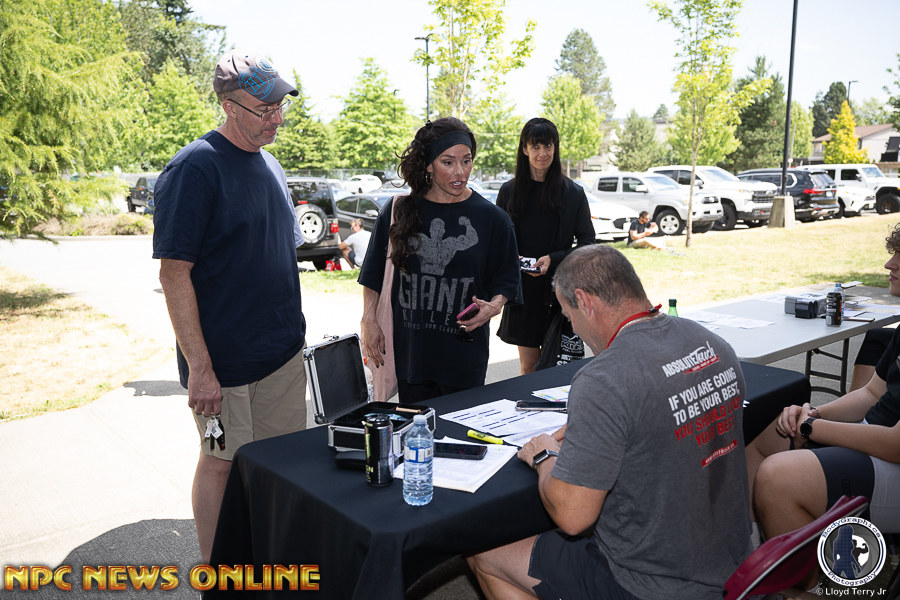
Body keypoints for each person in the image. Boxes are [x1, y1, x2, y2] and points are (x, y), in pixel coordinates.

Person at [467, 244, 752, 600]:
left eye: (569, 316)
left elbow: (573, 516)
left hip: (650, 582)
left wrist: (543, 454)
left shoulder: (604, 378)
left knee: (483, 550)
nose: (574, 329)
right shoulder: (710, 342)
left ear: (584, 302)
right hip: (732, 560)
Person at [152, 50, 308, 562]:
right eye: (264, 110)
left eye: (280, 106)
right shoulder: (194, 168)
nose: (276, 119)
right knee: (221, 463)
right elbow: (173, 274)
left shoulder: (272, 165)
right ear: (227, 105)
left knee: (281, 463)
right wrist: (200, 367)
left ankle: (271, 563)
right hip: (224, 364)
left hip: (281, 354)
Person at [747, 224, 900, 588]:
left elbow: (896, 445)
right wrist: (812, 413)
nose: (888, 264)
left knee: (779, 477)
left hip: (892, 461)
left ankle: (810, 590)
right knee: (760, 434)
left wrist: (812, 428)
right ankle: (759, 563)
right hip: (876, 445)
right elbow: (871, 393)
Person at [358, 117, 521, 403]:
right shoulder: (399, 211)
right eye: (448, 162)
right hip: (412, 356)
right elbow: (373, 273)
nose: (460, 172)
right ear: (429, 165)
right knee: (416, 428)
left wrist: (493, 307)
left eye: (467, 161)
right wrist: (369, 320)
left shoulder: (492, 219)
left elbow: (507, 280)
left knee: (460, 429)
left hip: (463, 357)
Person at [495, 118, 595, 375]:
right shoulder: (509, 191)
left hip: (560, 290)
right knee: (529, 367)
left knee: (561, 368)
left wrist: (554, 258)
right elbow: (497, 241)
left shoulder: (573, 193)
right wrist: (513, 260)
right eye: (535, 146)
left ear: (555, 148)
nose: (542, 153)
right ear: (524, 149)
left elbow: (588, 243)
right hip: (524, 292)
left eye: (548, 145)